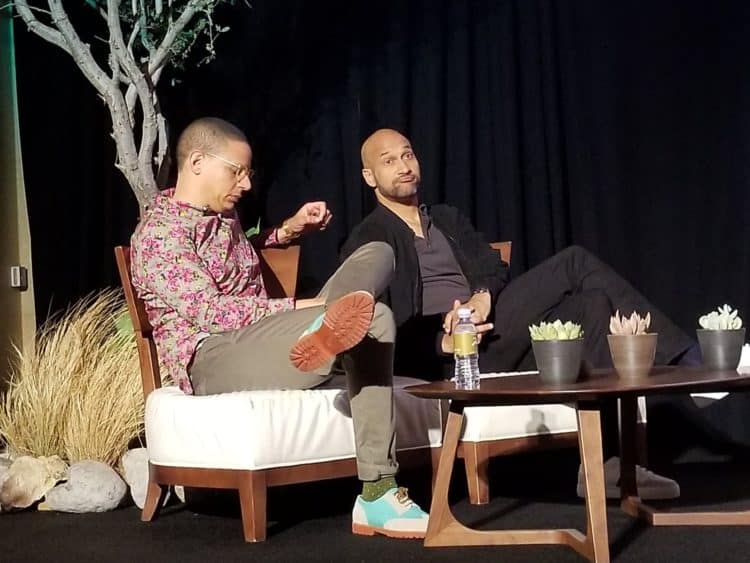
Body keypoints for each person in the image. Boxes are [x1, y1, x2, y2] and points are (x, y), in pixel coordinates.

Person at [342, 128, 702, 500]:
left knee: (593, 305)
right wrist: (442, 341)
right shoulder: (369, 238)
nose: (403, 166)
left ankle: (605, 467)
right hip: (450, 359)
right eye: (389, 161)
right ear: (370, 176)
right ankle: (687, 361)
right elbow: (376, 323)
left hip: (492, 336)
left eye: (408, 155)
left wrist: (481, 298)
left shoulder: (447, 219)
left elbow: (492, 266)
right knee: (575, 261)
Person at [130, 118, 429, 539]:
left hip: (268, 338)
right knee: (374, 318)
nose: (246, 184)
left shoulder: (220, 215)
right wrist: (309, 305)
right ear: (196, 163)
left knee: (377, 251)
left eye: (248, 173)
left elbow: (236, 261)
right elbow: (214, 312)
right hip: (215, 355)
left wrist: (287, 231)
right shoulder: (159, 235)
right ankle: (378, 492)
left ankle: (333, 336)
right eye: (236, 171)